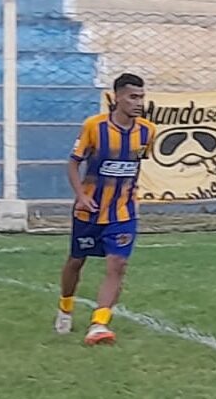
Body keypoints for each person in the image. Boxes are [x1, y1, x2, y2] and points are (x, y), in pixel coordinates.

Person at [55, 73, 157, 346]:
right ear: (116, 98)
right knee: (76, 261)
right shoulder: (94, 127)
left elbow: (137, 163)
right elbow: (74, 163)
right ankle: (65, 306)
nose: (138, 103)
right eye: (133, 97)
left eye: (141, 97)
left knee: (118, 264)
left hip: (124, 210)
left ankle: (99, 324)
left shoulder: (147, 131)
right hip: (90, 210)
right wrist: (80, 196)